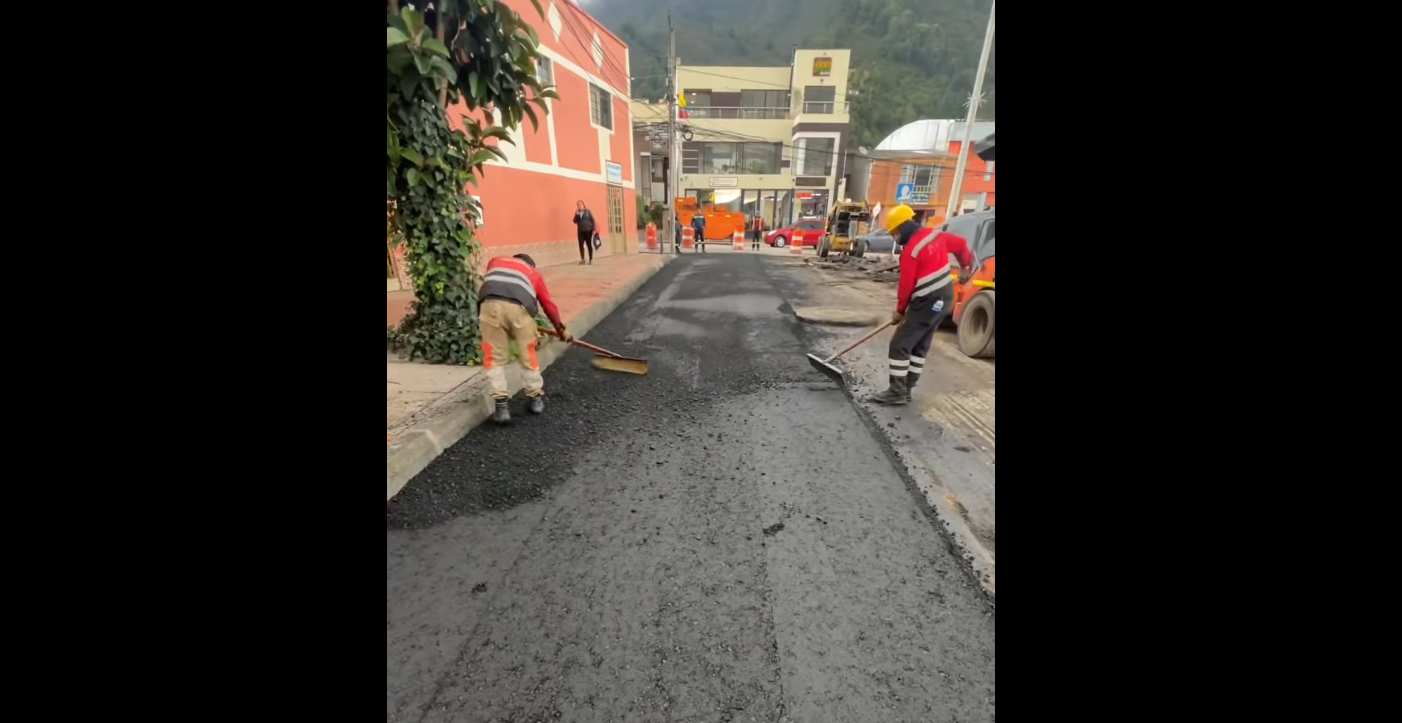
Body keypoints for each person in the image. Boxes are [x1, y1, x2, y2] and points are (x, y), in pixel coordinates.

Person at [868, 205, 974, 406]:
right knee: (920, 344)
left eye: (894, 234)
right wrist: (965, 265)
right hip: (943, 298)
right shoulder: (937, 236)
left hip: (929, 300)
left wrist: (899, 311)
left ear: (902, 228)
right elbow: (961, 245)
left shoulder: (911, 251)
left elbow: (906, 285)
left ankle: (897, 391)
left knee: (899, 345)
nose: (894, 238)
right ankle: (906, 390)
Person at [477, 253, 572, 424]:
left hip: (488, 305)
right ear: (530, 265)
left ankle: (501, 408)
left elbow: (496, 287)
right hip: (519, 309)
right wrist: (560, 329)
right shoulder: (533, 273)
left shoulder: (496, 261)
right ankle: (535, 400)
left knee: (494, 358)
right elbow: (548, 305)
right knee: (527, 355)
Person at [571, 201, 596, 265]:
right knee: (581, 245)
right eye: (578, 205)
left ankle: (591, 259)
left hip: (588, 231)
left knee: (589, 245)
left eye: (580, 204)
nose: (579, 206)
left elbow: (593, 220)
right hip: (580, 232)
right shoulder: (577, 213)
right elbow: (574, 221)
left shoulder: (588, 211)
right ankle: (583, 259)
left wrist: (593, 229)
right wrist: (576, 214)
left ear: (583, 205)